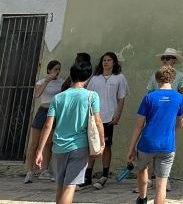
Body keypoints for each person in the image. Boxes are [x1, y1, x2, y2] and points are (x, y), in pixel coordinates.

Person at [34, 60, 105, 204]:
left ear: (71, 76)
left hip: (58, 147)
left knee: (60, 186)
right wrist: (102, 143)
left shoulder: (58, 97)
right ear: (88, 77)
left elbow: (48, 125)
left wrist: (40, 150)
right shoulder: (92, 96)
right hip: (79, 146)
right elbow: (97, 122)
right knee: (70, 186)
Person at [128, 65, 183, 204]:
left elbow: (139, 125)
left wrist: (131, 149)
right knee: (161, 183)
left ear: (156, 79)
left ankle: (142, 198)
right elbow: (180, 124)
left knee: (142, 170)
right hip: (167, 145)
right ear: (172, 79)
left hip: (147, 143)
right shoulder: (179, 98)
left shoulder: (149, 97)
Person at [85, 52, 129, 189]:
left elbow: (121, 98)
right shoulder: (95, 79)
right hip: (94, 117)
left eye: (109, 60)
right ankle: (87, 175)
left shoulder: (119, 78)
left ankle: (104, 175)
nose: (106, 62)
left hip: (109, 117)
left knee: (106, 146)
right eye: (104, 60)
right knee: (91, 145)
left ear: (114, 62)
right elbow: (87, 97)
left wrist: (118, 115)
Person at [24, 60, 62, 184]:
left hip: (54, 113)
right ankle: (29, 171)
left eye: (58, 69)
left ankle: (44, 170)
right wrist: (47, 80)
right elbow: (37, 94)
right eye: (55, 69)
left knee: (48, 143)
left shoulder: (61, 82)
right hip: (43, 111)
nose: (57, 72)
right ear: (49, 70)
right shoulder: (41, 81)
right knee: (34, 143)